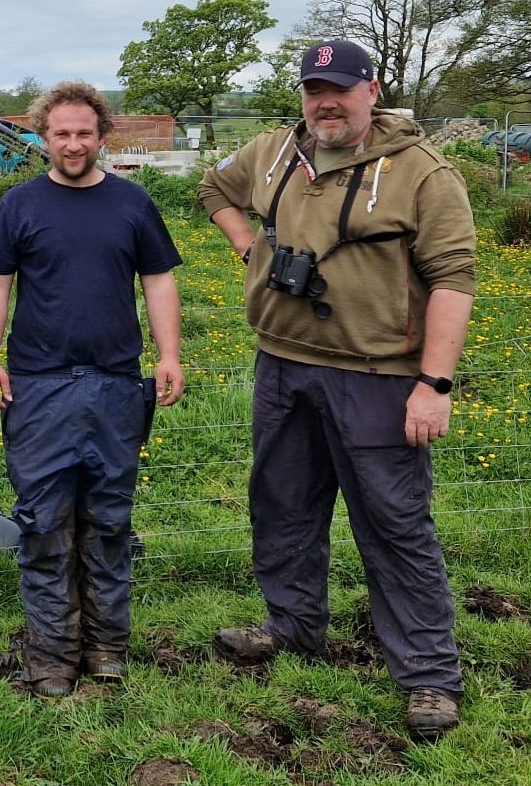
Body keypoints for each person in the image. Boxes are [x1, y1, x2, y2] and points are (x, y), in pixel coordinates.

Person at [197, 40, 475, 739]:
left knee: (394, 523)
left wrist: (434, 384)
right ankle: (293, 627)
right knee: (283, 505)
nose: (326, 101)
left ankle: (429, 676)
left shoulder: (421, 173)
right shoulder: (270, 152)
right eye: (313, 88)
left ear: (371, 90)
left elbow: (452, 280)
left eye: (340, 88)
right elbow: (213, 188)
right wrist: (249, 248)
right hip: (282, 364)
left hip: (378, 376)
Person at [0, 81, 184, 699]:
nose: (72, 144)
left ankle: (106, 649)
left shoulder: (132, 203)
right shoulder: (20, 205)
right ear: (44, 137)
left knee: (109, 521)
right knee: (43, 523)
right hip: (39, 386)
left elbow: (159, 281)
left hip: (116, 386)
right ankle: (51, 655)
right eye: (61, 133)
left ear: (102, 136)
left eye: (84, 133)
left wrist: (169, 354)